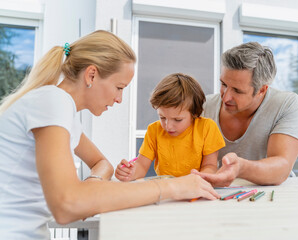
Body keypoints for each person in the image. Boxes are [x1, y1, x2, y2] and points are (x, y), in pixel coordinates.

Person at [0, 30, 220, 239]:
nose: (119, 99)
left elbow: (101, 163)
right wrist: (171, 187)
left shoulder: (63, 110)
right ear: (92, 75)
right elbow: (67, 205)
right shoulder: (52, 103)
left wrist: (92, 184)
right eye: (119, 87)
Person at [191, 42, 298, 186]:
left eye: (237, 91)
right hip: (218, 195)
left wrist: (241, 168)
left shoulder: (286, 104)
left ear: (262, 90)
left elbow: (281, 167)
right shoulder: (204, 107)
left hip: (272, 196)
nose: (225, 97)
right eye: (223, 84)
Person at [115, 73, 225, 181]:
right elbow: (142, 166)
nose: (168, 126)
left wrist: (200, 177)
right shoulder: (154, 130)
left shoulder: (207, 128)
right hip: (166, 190)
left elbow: (210, 166)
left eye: (177, 120)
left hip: (195, 189)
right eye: (162, 117)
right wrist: (129, 173)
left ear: (194, 114)